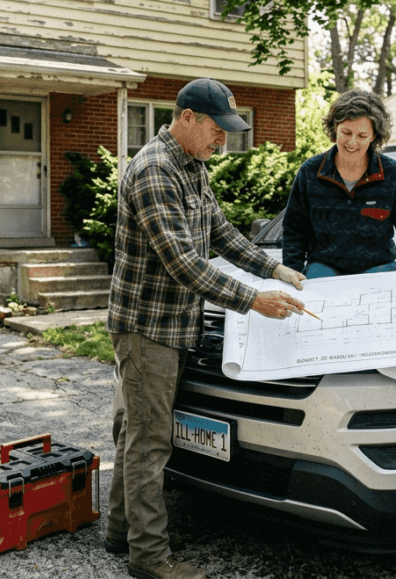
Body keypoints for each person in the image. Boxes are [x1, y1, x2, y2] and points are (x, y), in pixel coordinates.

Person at [106, 78, 306, 579]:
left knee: (136, 431)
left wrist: (273, 269)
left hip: (173, 325)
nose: (224, 141)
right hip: (147, 328)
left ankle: (119, 532)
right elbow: (183, 262)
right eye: (218, 130)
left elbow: (221, 232)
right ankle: (150, 560)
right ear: (188, 118)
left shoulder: (192, 167)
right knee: (150, 443)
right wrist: (252, 300)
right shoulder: (154, 170)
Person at [282, 88, 396, 278]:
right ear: (335, 129)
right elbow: (294, 232)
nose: (352, 142)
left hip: (378, 270)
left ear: (374, 136)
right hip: (323, 270)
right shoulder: (310, 172)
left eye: (362, 136)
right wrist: (292, 274)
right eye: (346, 132)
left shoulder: (393, 174)